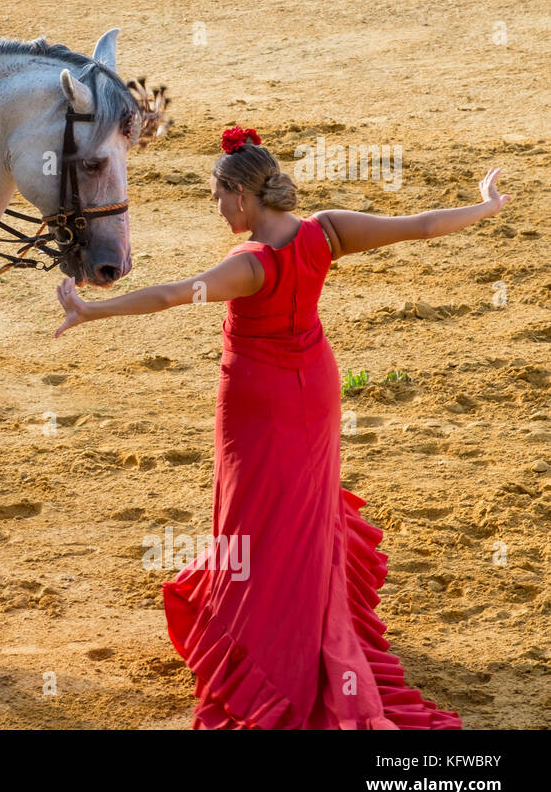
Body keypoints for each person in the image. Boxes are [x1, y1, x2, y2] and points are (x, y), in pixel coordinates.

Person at [54, 125, 510, 728]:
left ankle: (268, 639)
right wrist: (486, 204)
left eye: (217, 197)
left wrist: (93, 309)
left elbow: (169, 296)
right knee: (304, 510)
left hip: (256, 401)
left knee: (254, 516)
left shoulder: (249, 264)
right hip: (316, 387)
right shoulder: (326, 232)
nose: (217, 209)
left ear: (242, 198)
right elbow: (420, 224)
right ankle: (310, 617)